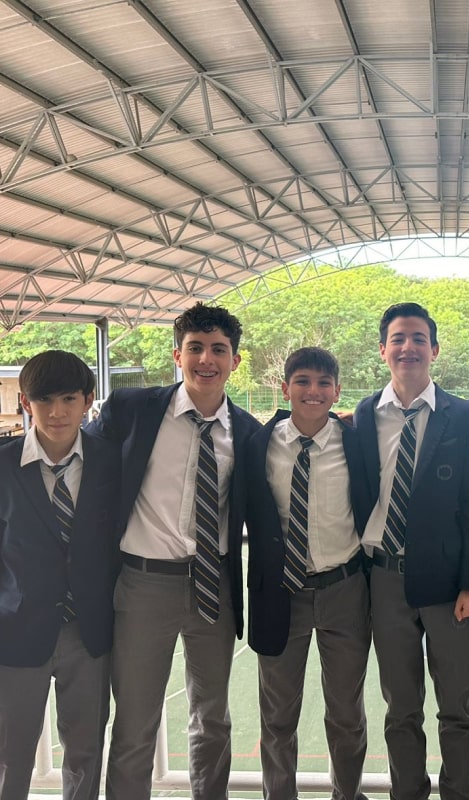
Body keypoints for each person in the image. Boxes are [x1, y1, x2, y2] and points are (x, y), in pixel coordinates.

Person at [92, 302, 261, 800]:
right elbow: (84, 467)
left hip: (214, 585)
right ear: (177, 355)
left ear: (234, 360)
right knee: (135, 720)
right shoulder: (132, 409)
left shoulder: (248, 432)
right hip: (144, 585)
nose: (206, 359)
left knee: (212, 718)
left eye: (218, 350)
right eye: (195, 348)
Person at [354, 302, 469, 800]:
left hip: (448, 583)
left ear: (434, 349)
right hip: (385, 578)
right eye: (398, 338)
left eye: (417, 339)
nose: (407, 347)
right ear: (382, 349)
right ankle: (407, 791)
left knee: (456, 705)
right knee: (401, 707)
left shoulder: (465, 416)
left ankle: (459, 792)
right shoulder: (365, 414)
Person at [245, 346, 371, 800]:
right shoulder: (258, 444)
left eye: (323, 383)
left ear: (337, 390)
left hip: (345, 588)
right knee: (278, 716)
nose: (312, 391)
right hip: (281, 592)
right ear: (285, 388)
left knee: (346, 713)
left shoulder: (357, 442)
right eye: (302, 381)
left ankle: (347, 793)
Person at [0, 350, 121, 800]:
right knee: (10, 754)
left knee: (86, 752)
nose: (57, 412)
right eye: (44, 400)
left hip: (88, 632)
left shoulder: (112, 462)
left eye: (69, 399)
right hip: (16, 631)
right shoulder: (3, 466)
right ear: (26, 403)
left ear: (88, 400)